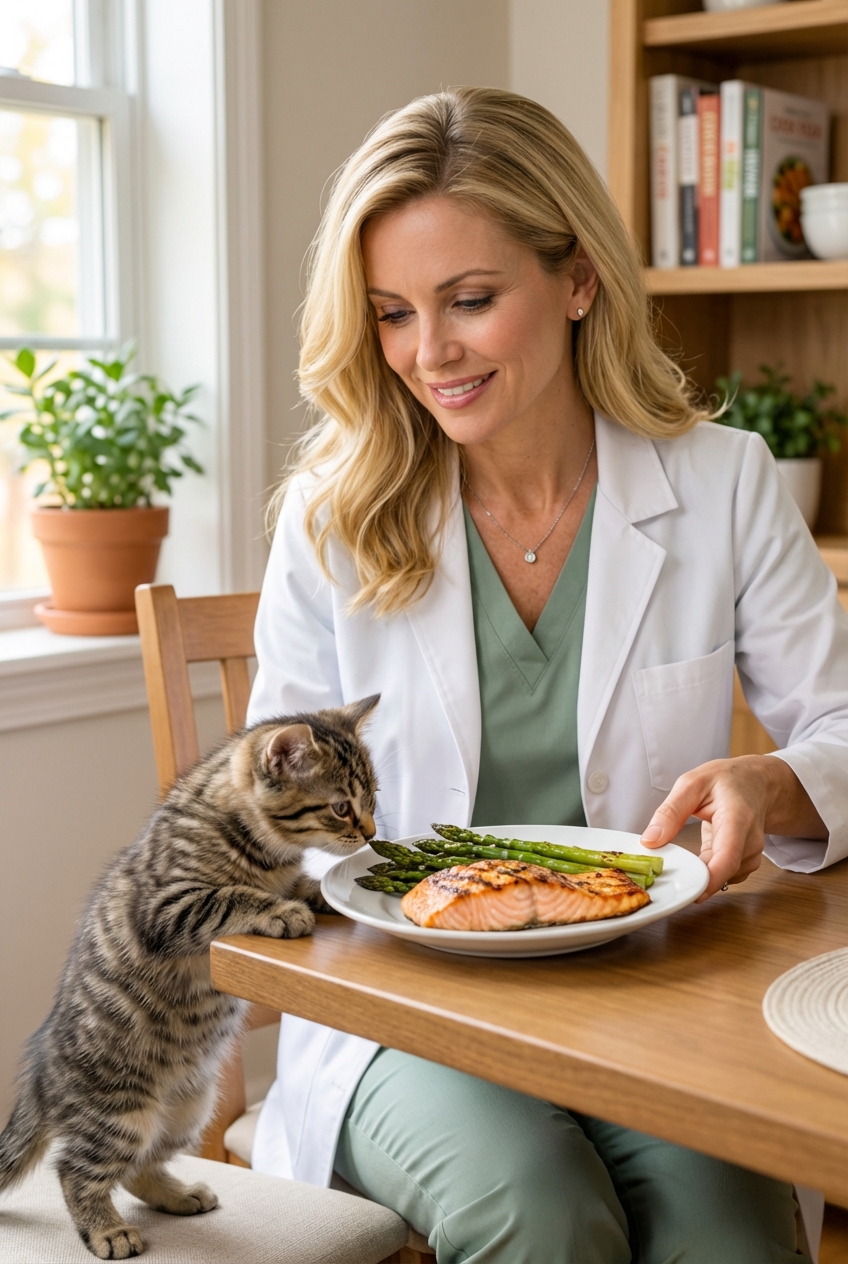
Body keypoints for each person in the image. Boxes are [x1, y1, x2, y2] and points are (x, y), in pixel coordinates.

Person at [247, 88, 847, 1263]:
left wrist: (774, 781)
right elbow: (274, 824)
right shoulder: (332, 521)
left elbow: (839, 720)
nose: (431, 354)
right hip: (408, 1013)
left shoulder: (723, 483)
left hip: (650, 998)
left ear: (577, 279)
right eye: (392, 313)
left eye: (470, 300)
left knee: (726, 1231)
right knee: (541, 1214)